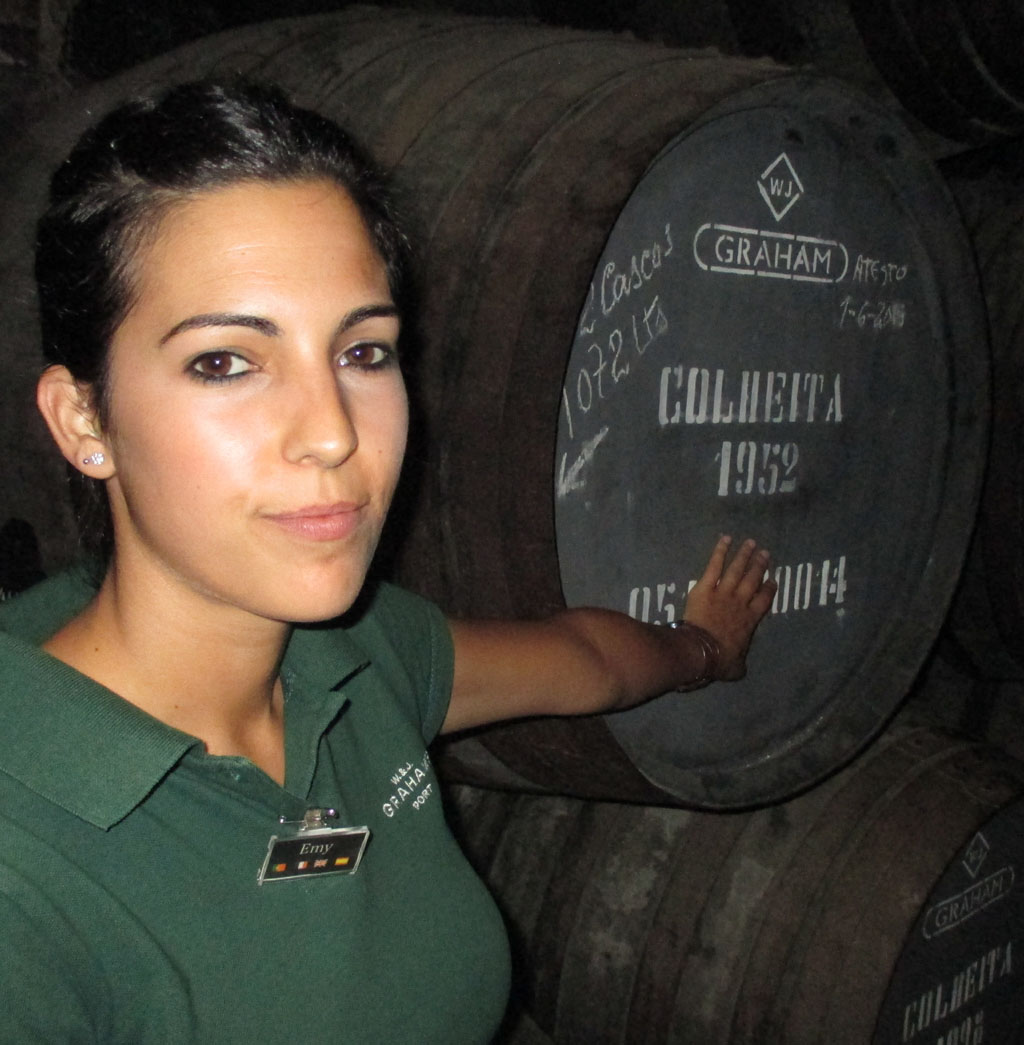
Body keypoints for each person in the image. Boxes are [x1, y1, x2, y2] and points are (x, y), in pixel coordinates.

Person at [0, 80, 775, 1043]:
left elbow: (584, 661)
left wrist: (702, 648)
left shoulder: (349, 654)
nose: (331, 431)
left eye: (363, 352)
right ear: (85, 420)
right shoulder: (23, 872)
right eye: (225, 362)